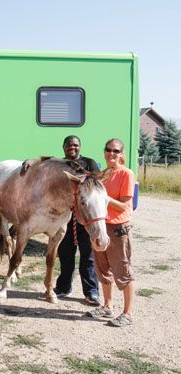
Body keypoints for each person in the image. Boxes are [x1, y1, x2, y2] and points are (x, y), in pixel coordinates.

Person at [85, 138, 136, 327]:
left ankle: (128, 313)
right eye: (108, 150)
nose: (111, 154)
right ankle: (107, 307)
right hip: (101, 227)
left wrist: (105, 198)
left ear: (121, 154)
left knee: (122, 270)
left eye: (115, 151)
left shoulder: (126, 174)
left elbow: (124, 206)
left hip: (118, 228)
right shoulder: (102, 174)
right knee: (102, 269)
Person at [53, 136, 101, 306]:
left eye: (75, 145)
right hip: (65, 218)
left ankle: (91, 291)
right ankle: (63, 287)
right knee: (65, 255)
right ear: (63, 147)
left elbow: (96, 189)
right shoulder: (58, 164)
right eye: (69, 145)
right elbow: (39, 163)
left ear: (80, 147)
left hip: (85, 219)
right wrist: (27, 163)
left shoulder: (90, 163)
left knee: (88, 256)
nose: (72, 148)